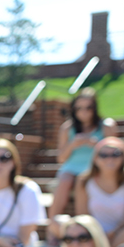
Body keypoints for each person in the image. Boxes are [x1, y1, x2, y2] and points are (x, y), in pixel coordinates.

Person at [47, 89, 116, 229]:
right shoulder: (67, 128)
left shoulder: (106, 126)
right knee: (65, 180)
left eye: (88, 108)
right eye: (79, 108)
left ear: (95, 108)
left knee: (81, 181)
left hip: (95, 167)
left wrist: (96, 145)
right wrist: (72, 144)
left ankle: (82, 227)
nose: (83, 112)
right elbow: (61, 158)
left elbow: (116, 152)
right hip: (71, 166)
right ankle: (51, 226)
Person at [71, 137, 124, 247]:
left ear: (123, 157)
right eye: (103, 155)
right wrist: (98, 234)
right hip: (94, 235)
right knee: (58, 222)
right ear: (95, 158)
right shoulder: (84, 180)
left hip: (121, 233)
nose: (110, 158)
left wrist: (113, 233)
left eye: (115, 154)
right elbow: (83, 215)